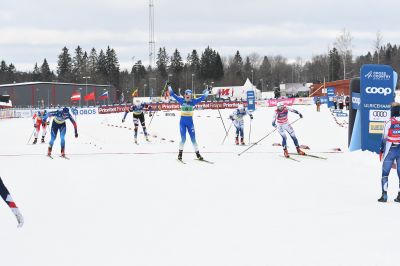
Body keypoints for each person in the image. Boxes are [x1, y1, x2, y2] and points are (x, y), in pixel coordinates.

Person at [168, 83, 209, 161]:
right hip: (182, 123)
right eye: (186, 95)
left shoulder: (193, 102)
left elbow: (203, 97)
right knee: (183, 139)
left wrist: (208, 90)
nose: (187, 96)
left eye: (189, 95)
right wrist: (169, 86)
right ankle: (180, 154)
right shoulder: (181, 100)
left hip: (190, 124)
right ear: (184, 95)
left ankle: (198, 154)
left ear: (191, 96)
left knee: (193, 139)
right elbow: (172, 94)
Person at [378, 103, 400, 202]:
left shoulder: (389, 122)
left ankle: (384, 195)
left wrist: (381, 150)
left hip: (390, 149)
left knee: (385, 173)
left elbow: (384, 137)